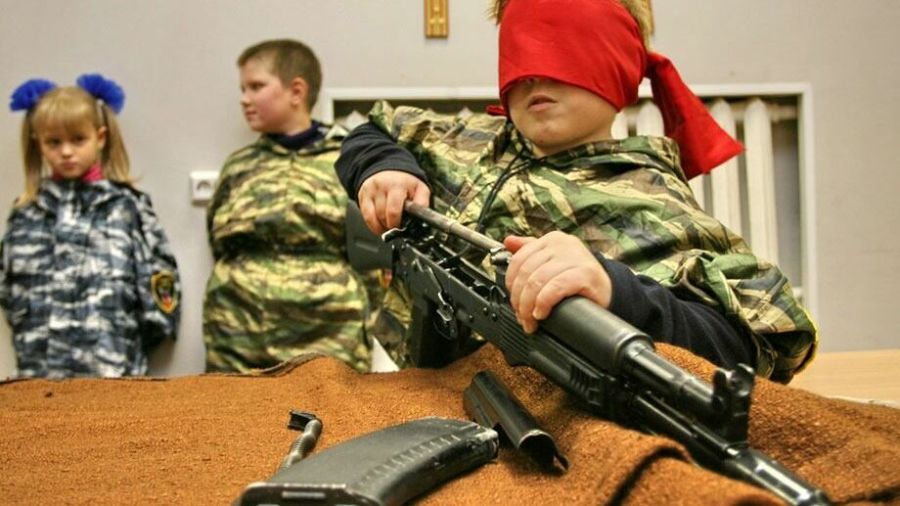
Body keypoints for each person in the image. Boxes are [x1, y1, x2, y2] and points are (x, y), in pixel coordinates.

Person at [335, 0, 817, 382]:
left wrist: (616, 291)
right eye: (520, 56)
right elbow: (372, 131)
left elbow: (766, 340)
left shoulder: (652, 200)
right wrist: (383, 167)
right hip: (416, 385)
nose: (534, 76)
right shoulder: (466, 140)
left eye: (562, 52)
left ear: (618, 63)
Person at [203, 39, 376, 373]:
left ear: (296, 91)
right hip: (237, 334)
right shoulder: (238, 166)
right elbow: (218, 242)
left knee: (331, 406)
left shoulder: (350, 161)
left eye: (256, 87)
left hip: (330, 333)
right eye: (242, 89)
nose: (244, 99)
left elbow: (372, 253)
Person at [0, 74, 181, 378]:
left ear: (100, 137)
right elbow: (9, 288)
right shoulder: (26, 212)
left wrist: (132, 341)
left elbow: (160, 283)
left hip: (113, 368)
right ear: (38, 144)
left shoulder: (127, 207)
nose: (66, 152)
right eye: (54, 142)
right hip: (41, 371)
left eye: (77, 139)